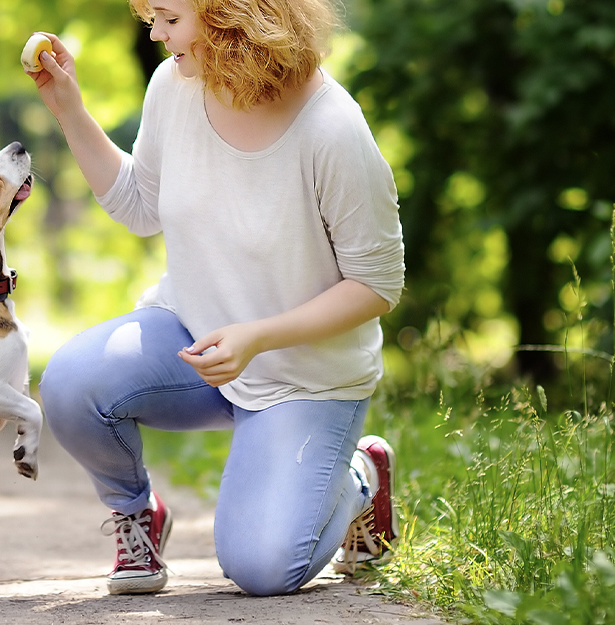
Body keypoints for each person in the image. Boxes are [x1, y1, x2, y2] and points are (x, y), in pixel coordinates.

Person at [25, 0, 404, 597]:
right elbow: (140, 206)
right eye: (152, 18)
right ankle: (137, 512)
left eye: (170, 19)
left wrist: (258, 337)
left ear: (232, 16)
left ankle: (361, 476)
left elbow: (377, 284)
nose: (156, 34)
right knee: (71, 384)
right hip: (193, 339)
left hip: (303, 375)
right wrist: (68, 110)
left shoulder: (332, 128)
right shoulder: (174, 85)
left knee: (262, 569)